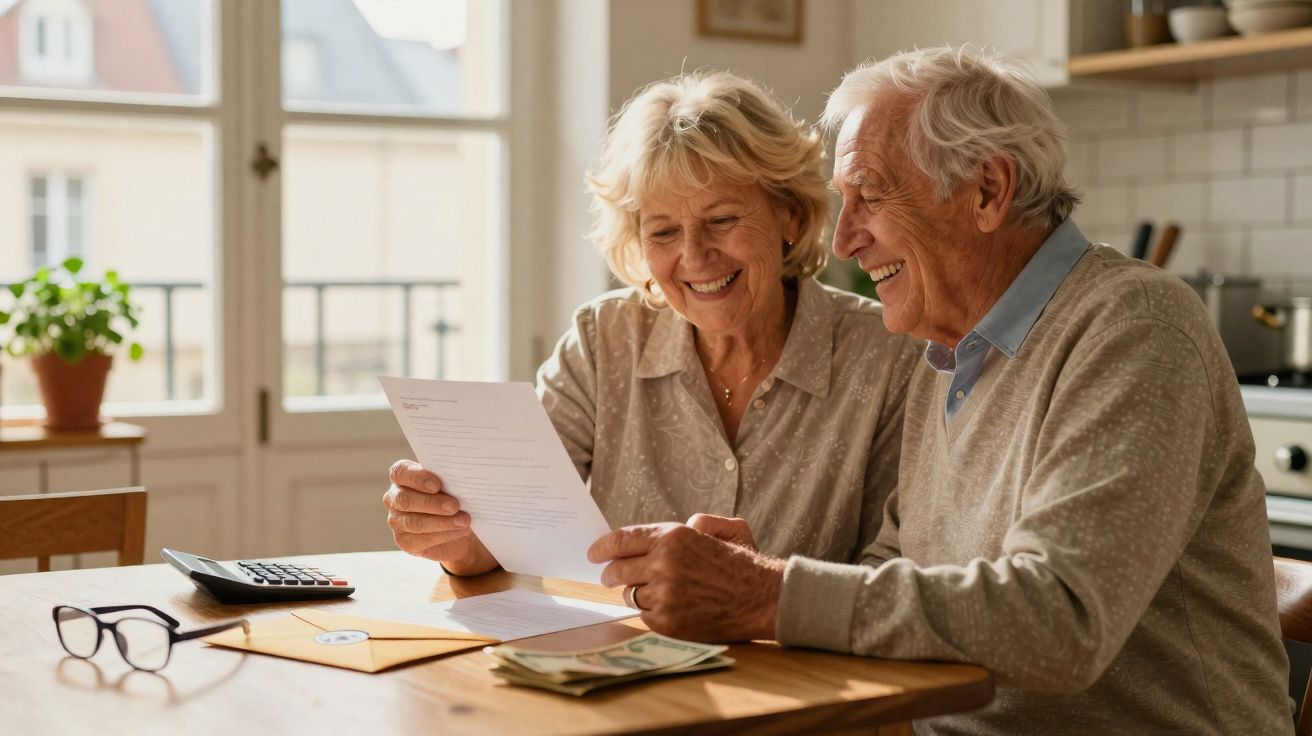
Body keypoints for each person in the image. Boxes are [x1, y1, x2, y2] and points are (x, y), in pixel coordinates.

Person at [588, 46, 1292, 734]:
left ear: (987, 190)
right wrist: (759, 577)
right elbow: (897, 567)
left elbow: (1062, 619)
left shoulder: (1132, 327)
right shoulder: (950, 352)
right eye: (843, 202)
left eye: (870, 197)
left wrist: (767, 592)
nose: (844, 241)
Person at [383, 71, 919, 579]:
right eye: (663, 232)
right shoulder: (603, 340)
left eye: (721, 220)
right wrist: (453, 537)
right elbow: (510, 530)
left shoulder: (887, 357)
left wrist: (764, 586)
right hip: (616, 645)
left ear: (790, 216)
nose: (695, 256)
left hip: (792, 651)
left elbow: (896, 580)